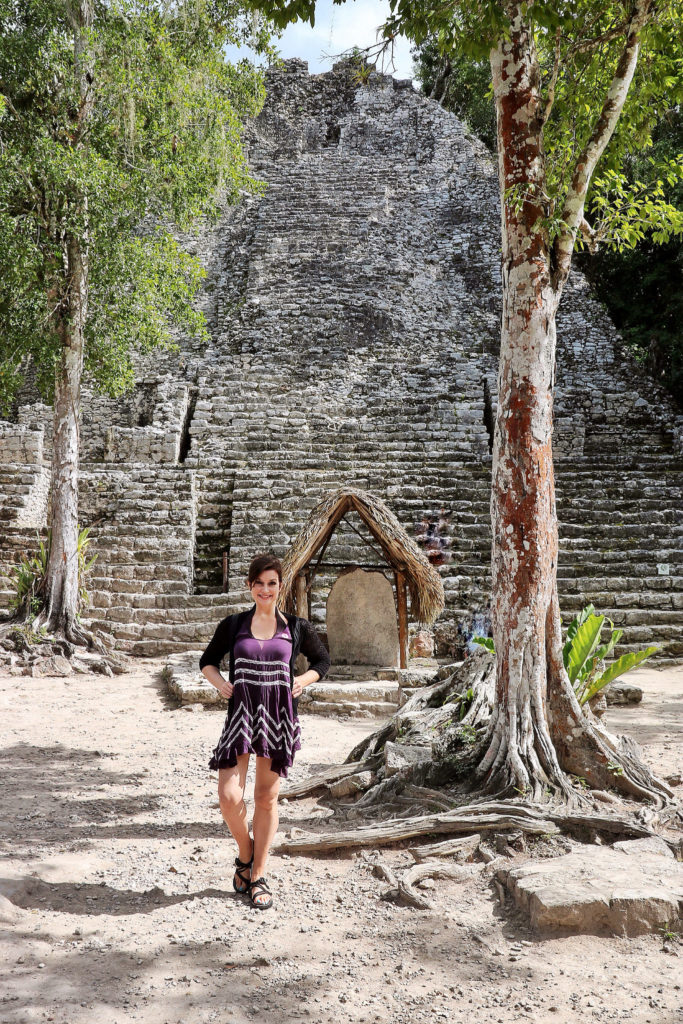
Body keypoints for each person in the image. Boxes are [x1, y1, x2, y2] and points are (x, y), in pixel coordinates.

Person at [199, 553, 330, 910]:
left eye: (272, 583)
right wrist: (220, 684)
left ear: (280, 586)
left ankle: (258, 874)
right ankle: (246, 853)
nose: (266, 589)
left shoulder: (296, 627)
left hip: (278, 717)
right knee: (228, 796)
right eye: (259, 583)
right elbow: (207, 661)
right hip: (240, 716)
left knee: (265, 799)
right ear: (250, 586)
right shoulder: (233, 624)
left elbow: (323, 661)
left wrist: (301, 680)